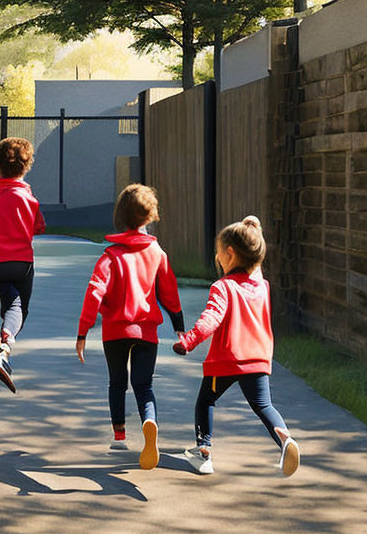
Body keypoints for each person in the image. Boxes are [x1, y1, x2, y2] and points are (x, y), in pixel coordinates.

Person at [173, 216, 300, 478]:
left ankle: (204, 452)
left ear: (230, 254)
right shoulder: (262, 286)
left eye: (219, 253)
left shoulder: (223, 287)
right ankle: (286, 440)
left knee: (206, 400)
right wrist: (256, 230)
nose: (217, 258)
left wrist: (189, 340)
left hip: (228, 360)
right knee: (264, 406)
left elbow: (211, 319)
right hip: (258, 359)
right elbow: (256, 264)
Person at [75, 185, 183, 470]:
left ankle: (120, 434)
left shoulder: (111, 256)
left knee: (117, 382)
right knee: (144, 385)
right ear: (149, 217)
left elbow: (94, 292)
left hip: (115, 333)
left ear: (120, 216)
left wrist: (83, 331)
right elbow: (169, 292)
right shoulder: (157, 252)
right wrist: (179, 325)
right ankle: (150, 421)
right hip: (147, 332)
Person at [0, 137, 45, 393]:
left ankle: (5, 347)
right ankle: (3, 349)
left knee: (10, 305)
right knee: (18, 308)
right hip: (23, 263)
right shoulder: (30, 200)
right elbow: (39, 226)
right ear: (25, 168)